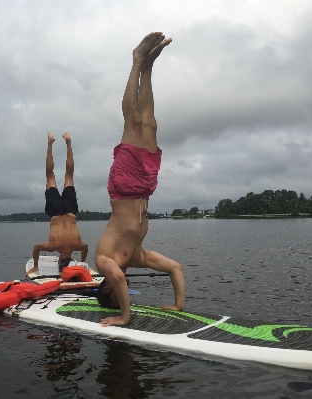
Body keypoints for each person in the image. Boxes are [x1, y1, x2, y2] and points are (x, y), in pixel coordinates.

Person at [94, 32, 186, 327]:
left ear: (105, 287)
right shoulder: (136, 256)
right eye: (118, 296)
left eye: (112, 291)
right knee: (149, 122)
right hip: (145, 187)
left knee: (132, 122)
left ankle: (136, 60)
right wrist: (178, 305)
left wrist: (124, 316)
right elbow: (175, 268)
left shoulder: (103, 261)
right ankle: (149, 67)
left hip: (123, 187)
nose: (115, 285)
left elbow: (118, 277)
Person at [26, 132, 89, 276]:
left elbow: (86, 248)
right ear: (60, 259)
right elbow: (36, 247)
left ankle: (68, 142)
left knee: (69, 175)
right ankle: (50, 143)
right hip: (55, 211)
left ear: (71, 258)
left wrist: (83, 262)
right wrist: (36, 265)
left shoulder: (79, 245)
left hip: (70, 210)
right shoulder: (53, 247)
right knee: (50, 175)